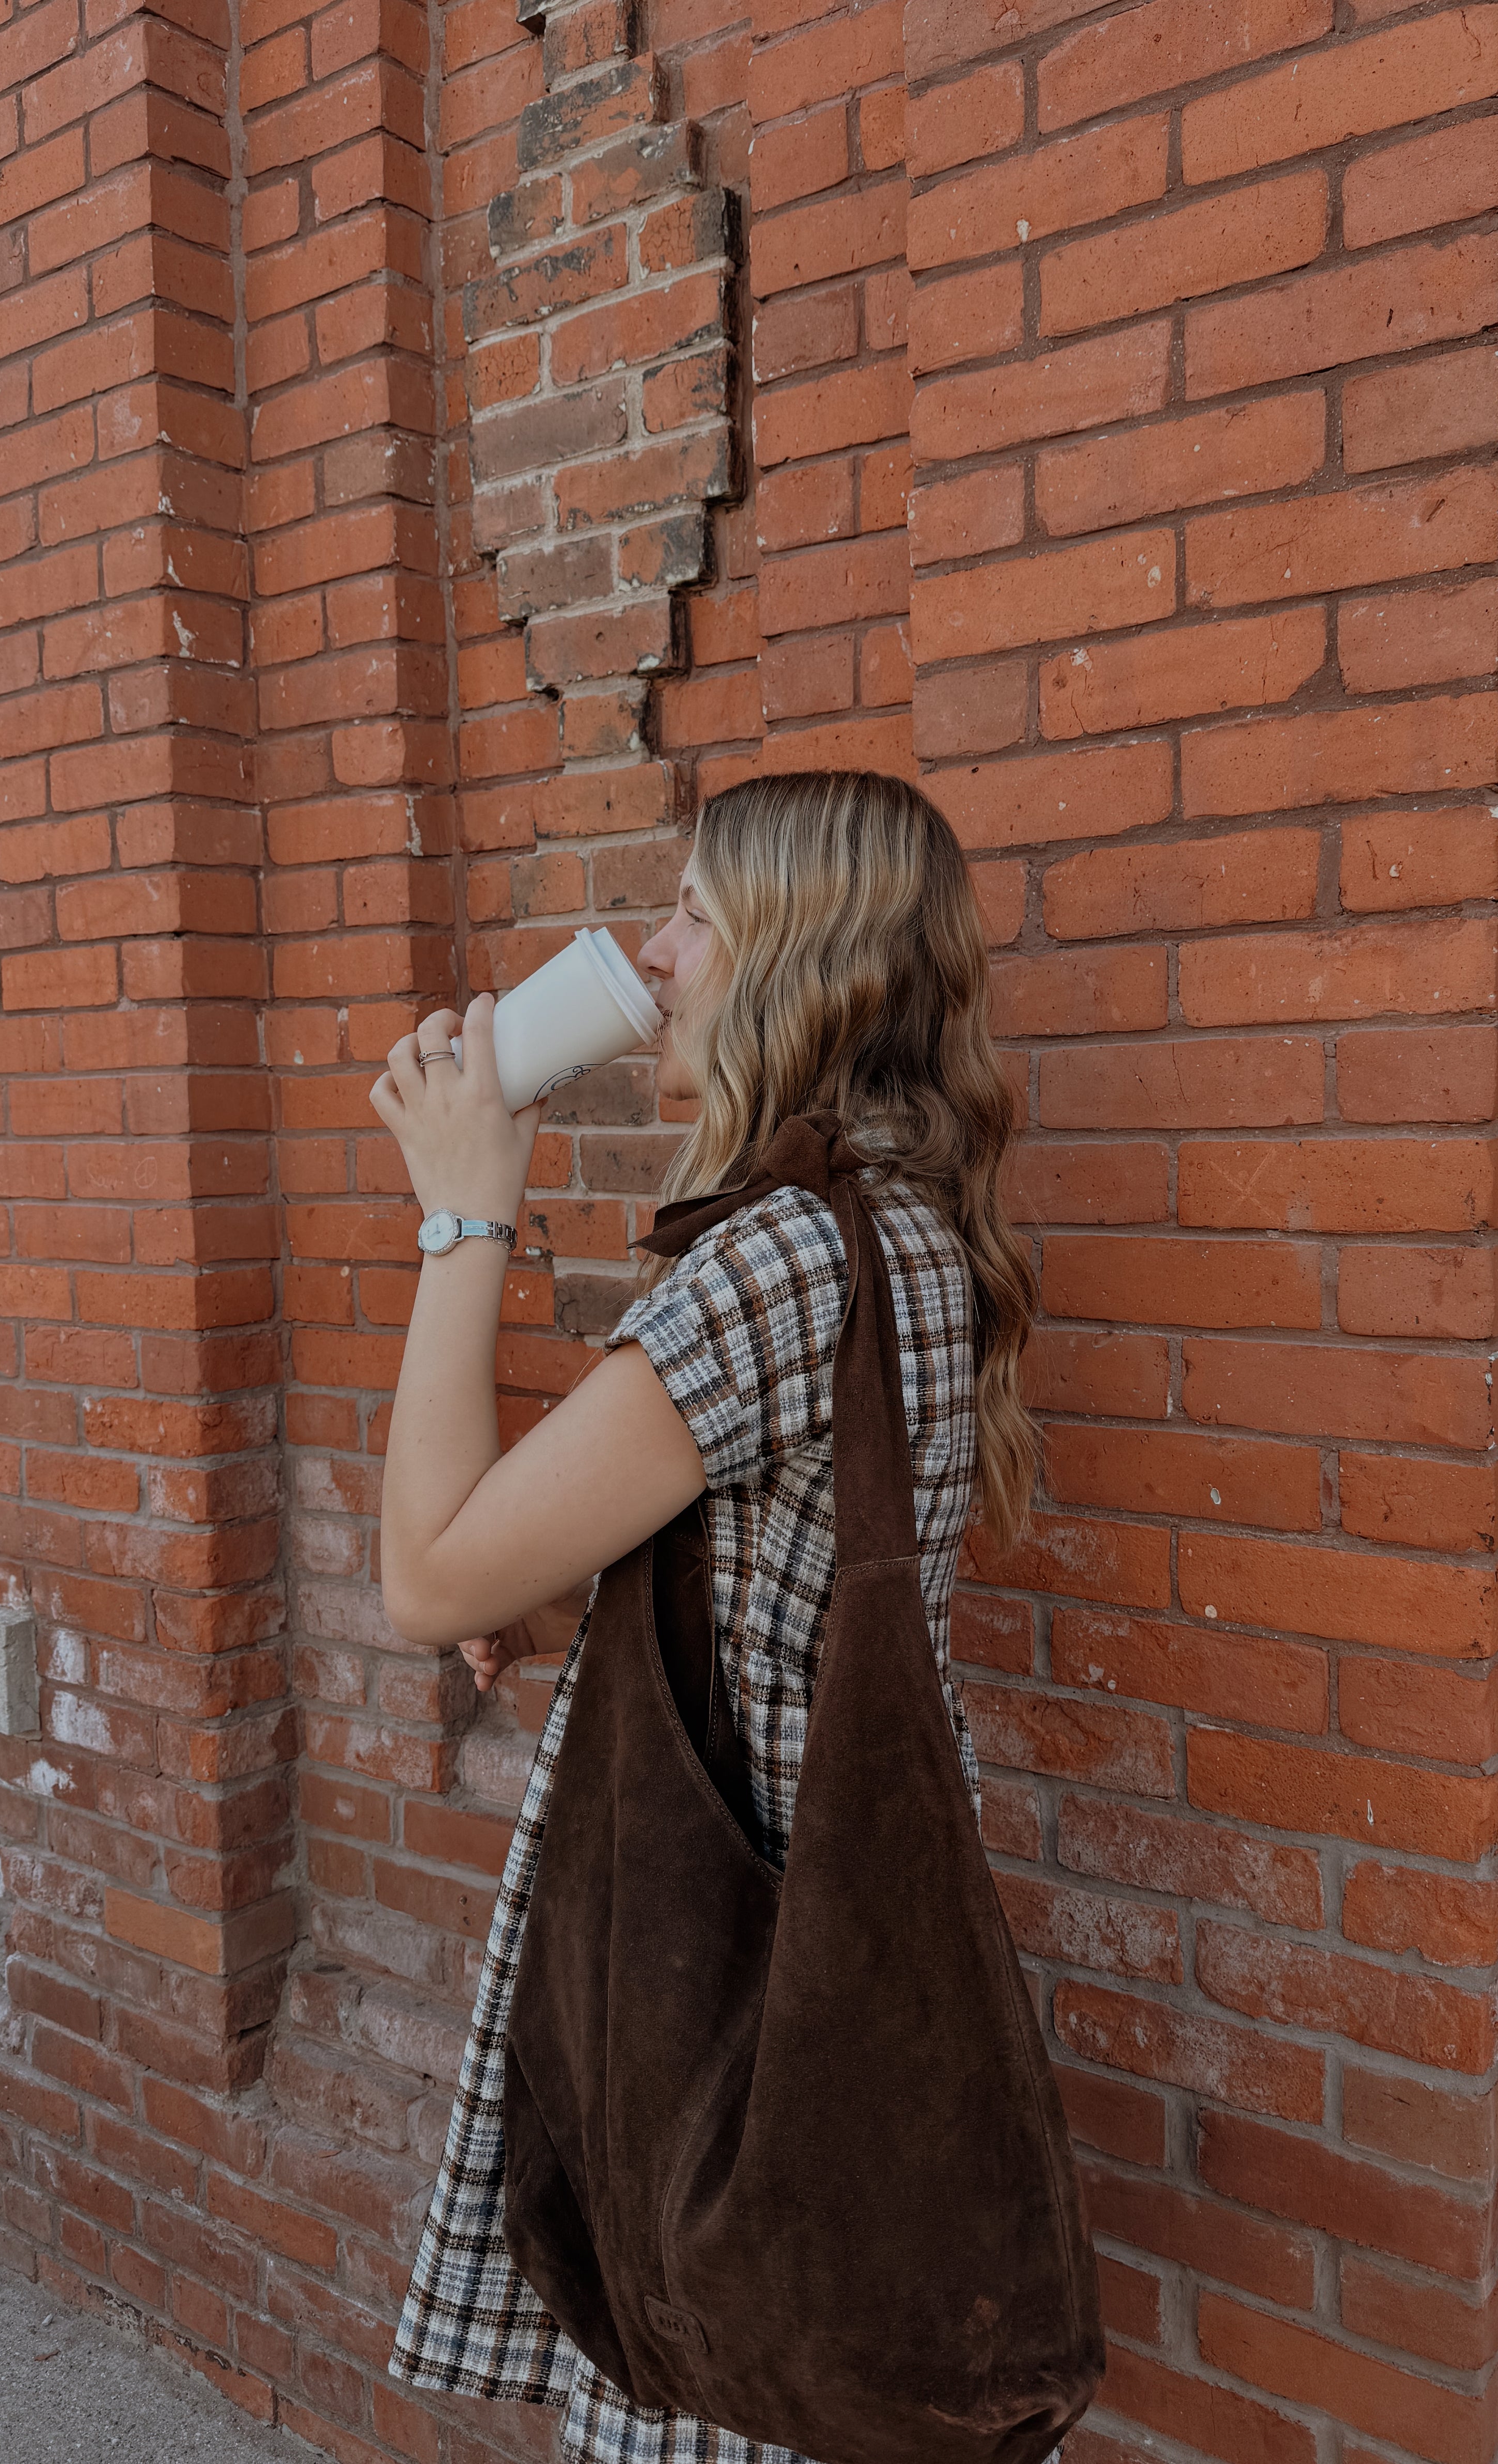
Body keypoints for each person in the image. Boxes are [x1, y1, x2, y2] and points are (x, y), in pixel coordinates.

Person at [375, 770, 1039, 2463]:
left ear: (797, 961)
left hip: (734, 1983)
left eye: (693, 914)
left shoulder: (783, 1260)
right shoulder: (903, 1231)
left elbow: (424, 1575)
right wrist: (598, 1587)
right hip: (820, 1920)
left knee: (723, 2377)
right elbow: (769, 1567)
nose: (655, 956)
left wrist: (463, 1212)